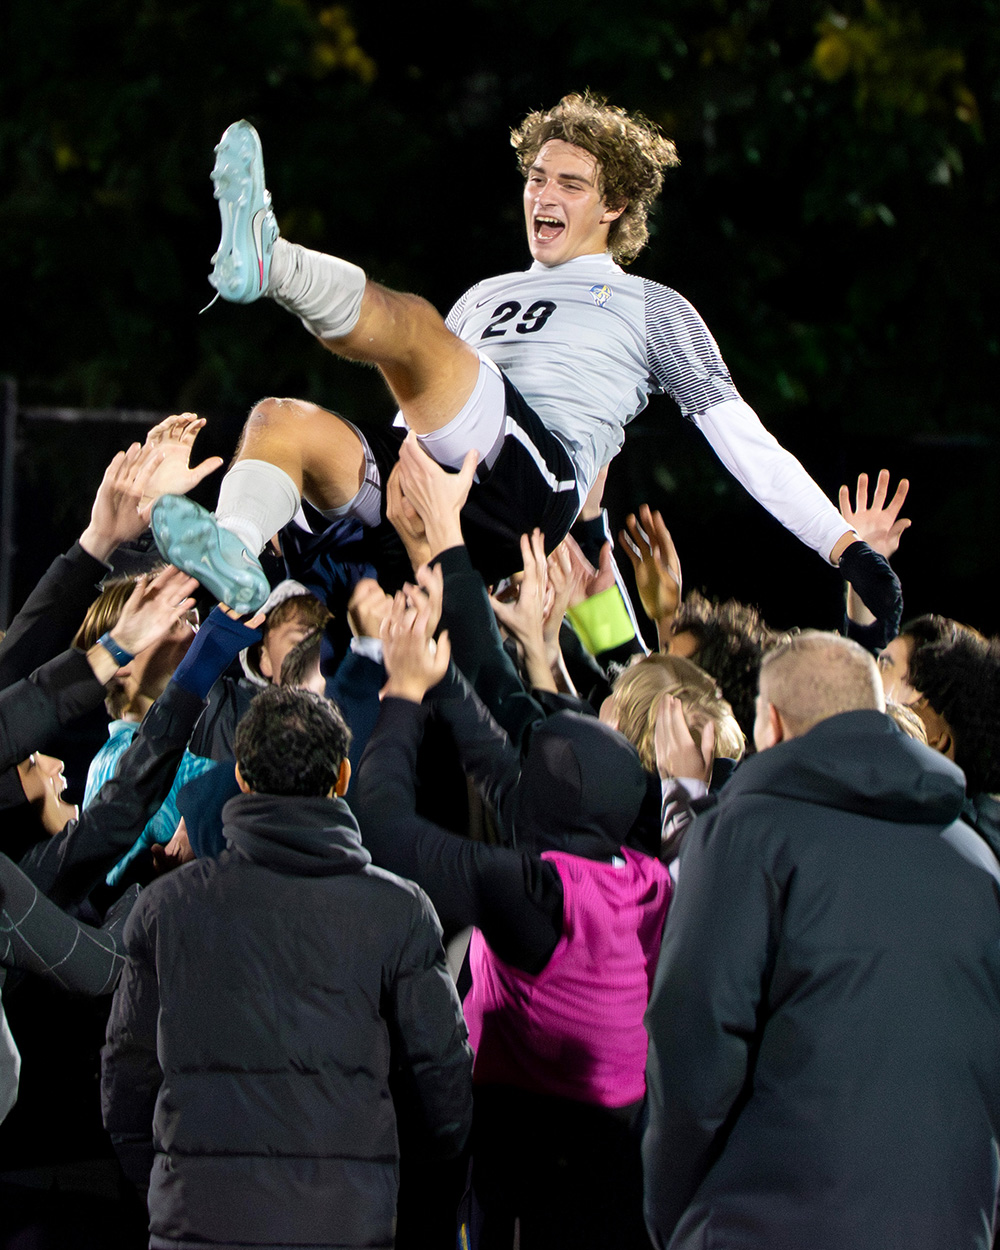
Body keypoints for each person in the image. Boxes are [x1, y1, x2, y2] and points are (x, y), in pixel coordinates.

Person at [151, 93, 893, 615]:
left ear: (614, 208)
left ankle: (272, 262)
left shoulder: (653, 307)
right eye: (538, 176)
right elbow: (427, 411)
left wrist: (845, 546)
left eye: (571, 183)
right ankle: (238, 555)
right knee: (281, 423)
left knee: (412, 332)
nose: (545, 192)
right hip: (437, 494)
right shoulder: (484, 293)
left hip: (531, 494)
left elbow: (748, 446)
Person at [642, 631, 1000, 1250]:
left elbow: (692, 1036)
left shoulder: (743, 837)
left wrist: (676, 1215)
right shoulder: (976, 858)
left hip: (767, 1226)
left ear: (772, 724)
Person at [101, 684, 472, 1250]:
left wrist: (167, 1180)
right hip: (343, 1224)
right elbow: (443, 1093)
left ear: (243, 779)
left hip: (196, 1221)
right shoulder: (399, 910)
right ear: (342, 779)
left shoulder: (166, 907)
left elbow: (125, 1083)